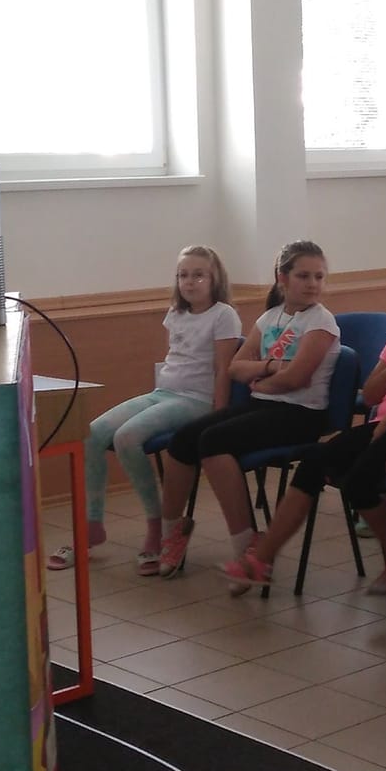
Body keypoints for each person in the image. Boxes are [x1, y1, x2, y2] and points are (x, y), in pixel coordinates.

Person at [222, 264, 386, 597]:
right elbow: (372, 395)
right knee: (314, 460)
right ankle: (261, 559)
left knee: (360, 480)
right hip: (383, 427)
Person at [51, 246, 241, 575]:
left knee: (127, 438)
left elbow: (224, 369)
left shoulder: (224, 315)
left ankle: (157, 529)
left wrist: (218, 416)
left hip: (196, 400)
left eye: (198, 275)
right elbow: (174, 360)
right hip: (163, 394)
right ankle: (91, 526)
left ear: (215, 279)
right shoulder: (176, 313)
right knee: (91, 435)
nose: (189, 282)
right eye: (183, 275)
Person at [157, 241, 341, 576]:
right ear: (282, 278)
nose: (313, 284)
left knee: (213, 441)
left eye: (319, 276)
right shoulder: (270, 317)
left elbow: (296, 379)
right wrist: (270, 369)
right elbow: (236, 367)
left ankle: (248, 548)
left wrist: (261, 380)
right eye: (303, 276)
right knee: (183, 439)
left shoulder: (321, 321)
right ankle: (171, 532)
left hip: (300, 415)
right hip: (264, 405)